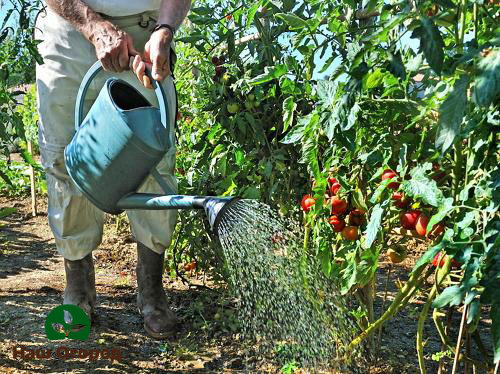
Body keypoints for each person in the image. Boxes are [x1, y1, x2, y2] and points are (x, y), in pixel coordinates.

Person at [35, 0, 191, 339]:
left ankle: (151, 289)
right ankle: (78, 287)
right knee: (65, 159)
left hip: (145, 34)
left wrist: (165, 28)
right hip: (69, 29)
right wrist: (92, 25)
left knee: (153, 157)